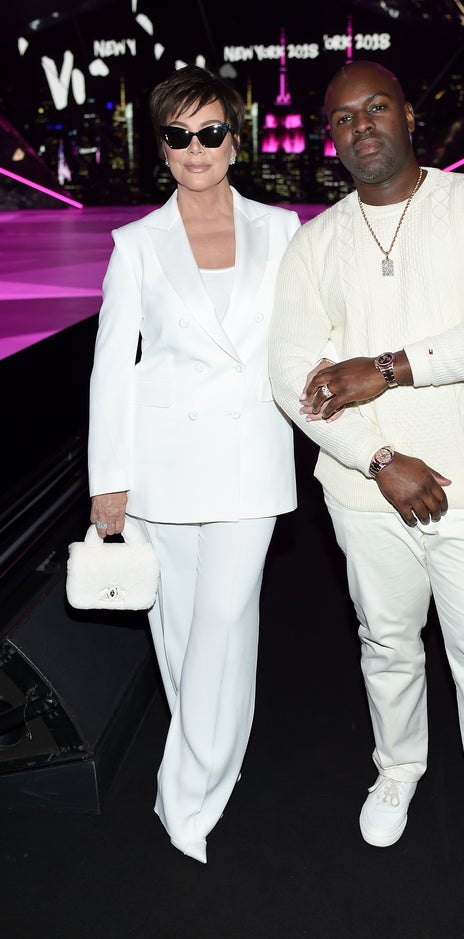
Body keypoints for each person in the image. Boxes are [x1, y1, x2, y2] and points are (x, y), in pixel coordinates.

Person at [268, 60, 464, 912]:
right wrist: (381, 460)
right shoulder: (315, 243)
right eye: (343, 117)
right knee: (385, 644)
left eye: (376, 106)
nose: (362, 126)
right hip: (365, 494)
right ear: (330, 138)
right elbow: (293, 376)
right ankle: (398, 770)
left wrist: (389, 369)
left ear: (409, 114)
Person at [87, 64, 300, 864]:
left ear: (235, 140)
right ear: (163, 150)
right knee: (179, 632)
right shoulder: (136, 244)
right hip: (161, 468)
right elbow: (113, 365)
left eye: (210, 131)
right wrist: (109, 477)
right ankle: (213, 760)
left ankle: (187, 789)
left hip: (250, 458)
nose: (196, 147)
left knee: (221, 621)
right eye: (178, 135)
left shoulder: (282, 231)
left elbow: (304, 338)